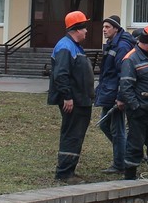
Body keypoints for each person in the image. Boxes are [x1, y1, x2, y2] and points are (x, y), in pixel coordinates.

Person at [47, 10, 95, 184]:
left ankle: (69, 170)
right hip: (73, 102)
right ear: (76, 29)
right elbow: (61, 75)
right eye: (84, 28)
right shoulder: (65, 47)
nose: (86, 32)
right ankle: (65, 173)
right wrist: (67, 97)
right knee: (72, 135)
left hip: (80, 101)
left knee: (75, 135)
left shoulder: (73, 47)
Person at [118, 23, 148, 180]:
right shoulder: (130, 59)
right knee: (135, 145)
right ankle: (130, 179)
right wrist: (136, 107)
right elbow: (126, 87)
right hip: (139, 112)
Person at [96, 15, 134, 175]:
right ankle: (127, 154)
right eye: (103, 27)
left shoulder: (122, 46)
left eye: (107, 27)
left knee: (117, 129)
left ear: (116, 29)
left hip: (116, 94)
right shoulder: (112, 44)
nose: (104, 30)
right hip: (108, 91)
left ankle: (121, 164)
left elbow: (122, 73)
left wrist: (121, 96)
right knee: (105, 124)